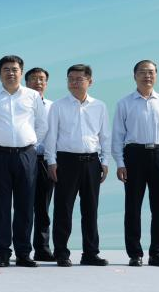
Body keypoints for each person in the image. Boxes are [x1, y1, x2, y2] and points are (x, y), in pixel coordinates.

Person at [0, 55, 48, 267]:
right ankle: (3, 253)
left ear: (21, 72)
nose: (10, 73)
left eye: (14, 69)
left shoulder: (32, 96)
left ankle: (23, 253)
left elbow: (42, 125)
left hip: (26, 155)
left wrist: (29, 144)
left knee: (25, 205)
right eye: (6, 69)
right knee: (1, 205)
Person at [112, 60, 159, 267]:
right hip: (134, 156)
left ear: (156, 76)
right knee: (133, 207)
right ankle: (135, 254)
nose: (147, 76)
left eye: (151, 72)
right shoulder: (124, 103)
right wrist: (120, 163)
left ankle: (157, 253)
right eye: (142, 72)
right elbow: (118, 136)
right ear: (135, 76)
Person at [44, 64, 111, 267]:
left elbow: (105, 136)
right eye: (70, 79)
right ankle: (61, 253)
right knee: (63, 209)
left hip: (92, 162)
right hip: (66, 162)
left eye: (79, 79)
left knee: (90, 210)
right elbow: (51, 136)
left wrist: (105, 161)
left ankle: (90, 253)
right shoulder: (58, 106)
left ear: (90, 81)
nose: (74, 83)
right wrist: (51, 161)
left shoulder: (99, 106)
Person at [26, 67, 56, 261]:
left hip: (45, 160)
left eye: (42, 79)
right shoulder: (20, 104)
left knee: (43, 207)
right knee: (23, 206)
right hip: (24, 158)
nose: (38, 82)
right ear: (26, 82)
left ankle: (42, 248)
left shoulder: (53, 106)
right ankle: (21, 248)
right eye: (34, 79)